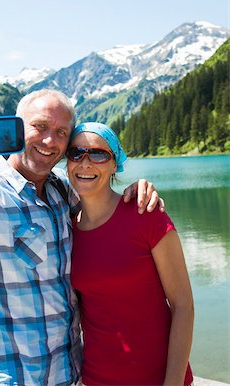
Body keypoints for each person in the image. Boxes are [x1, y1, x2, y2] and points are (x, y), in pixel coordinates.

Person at [0, 90, 162, 386]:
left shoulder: (62, 191)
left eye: (61, 132)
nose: (50, 141)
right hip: (12, 378)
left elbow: (104, 205)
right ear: (16, 128)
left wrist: (138, 190)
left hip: (71, 373)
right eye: (39, 126)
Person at [67, 122, 194, 386]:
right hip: (95, 379)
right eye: (76, 153)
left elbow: (183, 306)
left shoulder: (145, 214)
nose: (85, 163)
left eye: (99, 154)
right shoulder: (66, 226)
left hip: (156, 379)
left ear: (115, 164)